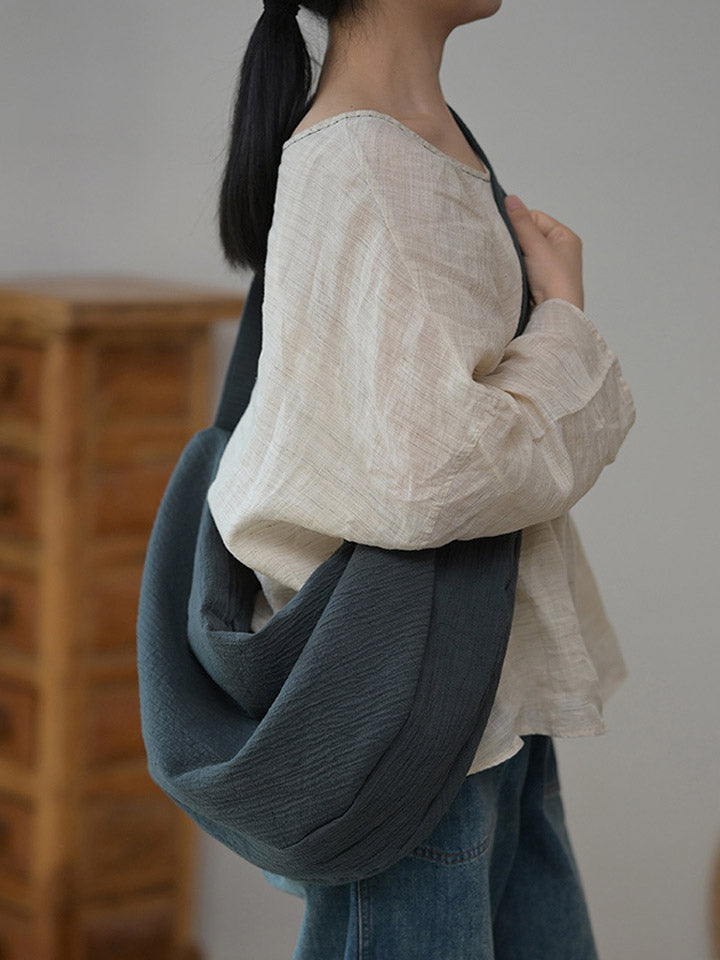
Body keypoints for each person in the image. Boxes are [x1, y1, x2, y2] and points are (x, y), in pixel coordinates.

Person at [207, 0, 637, 956]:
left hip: (482, 684)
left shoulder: (419, 141)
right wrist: (565, 319)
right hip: (422, 705)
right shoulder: (363, 160)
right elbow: (435, 470)